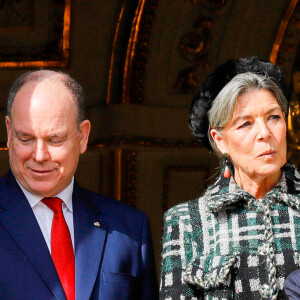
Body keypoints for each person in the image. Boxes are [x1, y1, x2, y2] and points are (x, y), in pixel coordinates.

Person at [0, 70, 158, 300]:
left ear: (83, 136)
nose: (40, 154)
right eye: (26, 138)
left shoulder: (129, 228)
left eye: (54, 139)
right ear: (8, 132)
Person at [159, 57, 300, 300]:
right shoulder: (187, 222)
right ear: (220, 140)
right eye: (246, 123)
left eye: (274, 117)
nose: (265, 133)